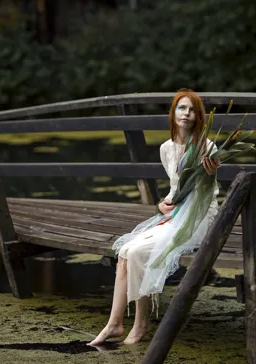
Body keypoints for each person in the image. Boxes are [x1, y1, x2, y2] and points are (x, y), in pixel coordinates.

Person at [87, 89, 221, 346]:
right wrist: (162, 204)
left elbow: (207, 193)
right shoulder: (166, 148)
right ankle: (114, 324)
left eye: (192, 110)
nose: (187, 114)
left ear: (198, 116)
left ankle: (139, 324)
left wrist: (212, 173)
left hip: (200, 216)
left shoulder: (208, 147)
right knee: (127, 250)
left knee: (137, 252)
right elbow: (175, 188)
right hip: (176, 213)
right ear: (173, 113)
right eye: (182, 108)